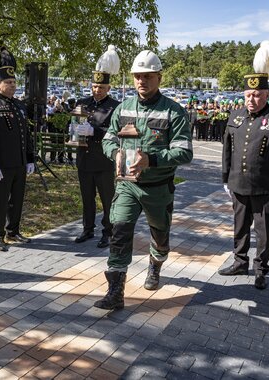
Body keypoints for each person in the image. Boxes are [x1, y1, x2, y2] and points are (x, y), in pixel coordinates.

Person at [94, 50, 193, 310]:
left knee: (160, 237)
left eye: (148, 76)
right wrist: (114, 153)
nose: (142, 81)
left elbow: (184, 152)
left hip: (158, 189)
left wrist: (152, 159)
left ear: (159, 77)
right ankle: (115, 292)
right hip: (127, 186)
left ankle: (155, 265)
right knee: (119, 231)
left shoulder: (174, 111)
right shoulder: (123, 108)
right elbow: (108, 139)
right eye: (138, 76)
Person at [219, 40, 269, 290]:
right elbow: (227, 149)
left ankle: (261, 269)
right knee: (240, 226)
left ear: (266, 94)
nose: (252, 99)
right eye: (248, 94)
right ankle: (239, 261)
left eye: (257, 95)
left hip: (266, 186)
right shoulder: (235, 116)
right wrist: (225, 178)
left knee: (264, 231)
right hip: (238, 183)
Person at [0, 46, 35, 252]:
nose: (12, 86)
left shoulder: (19, 106)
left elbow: (26, 135)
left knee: (17, 200)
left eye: (14, 82)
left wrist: (30, 158)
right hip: (1, 165)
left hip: (19, 164)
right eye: (8, 83)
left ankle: (13, 230)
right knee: (0, 201)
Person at [74, 45, 120, 249]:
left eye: (101, 87)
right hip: (84, 157)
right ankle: (87, 229)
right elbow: (75, 123)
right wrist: (73, 128)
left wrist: (96, 132)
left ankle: (108, 232)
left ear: (108, 88)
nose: (97, 90)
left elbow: (116, 132)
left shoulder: (115, 107)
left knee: (107, 199)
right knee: (87, 197)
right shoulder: (83, 102)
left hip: (103, 160)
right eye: (94, 86)